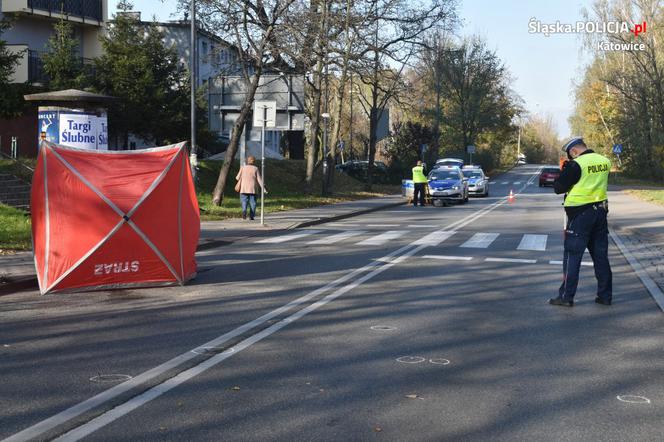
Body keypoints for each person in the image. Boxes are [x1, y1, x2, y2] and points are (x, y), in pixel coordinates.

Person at [549, 137, 612, 307]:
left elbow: (558, 188)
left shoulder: (576, 164)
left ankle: (566, 297)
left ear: (574, 151)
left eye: (571, 155)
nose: (571, 158)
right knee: (600, 257)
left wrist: (564, 171)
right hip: (600, 212)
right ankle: (605, 296)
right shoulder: (604, 161)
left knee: (572, 256)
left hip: (580, 215)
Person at [235, 156, 266, 220]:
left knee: (244, 201)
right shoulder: (256, 168)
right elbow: (259, 180)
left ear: (247, 161)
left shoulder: (243, 168)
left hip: (243, 188)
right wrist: (264, 189)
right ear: (254, 161)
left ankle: (244, 212)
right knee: (253, 203)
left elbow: (237, 178)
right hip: (253, 189)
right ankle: (251, 216)